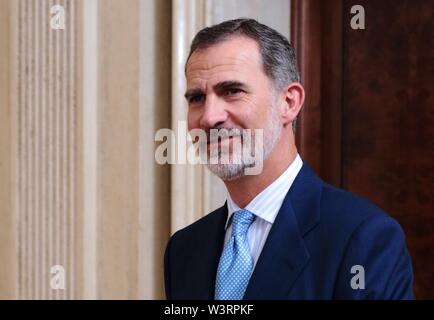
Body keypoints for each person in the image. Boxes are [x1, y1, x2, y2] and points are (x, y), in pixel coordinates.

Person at [164, 18, 414, 300]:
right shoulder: (184, 250)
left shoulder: (363, 238)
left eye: (232, 91)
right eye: (197, 98)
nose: (209, 117)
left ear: (289, 103)